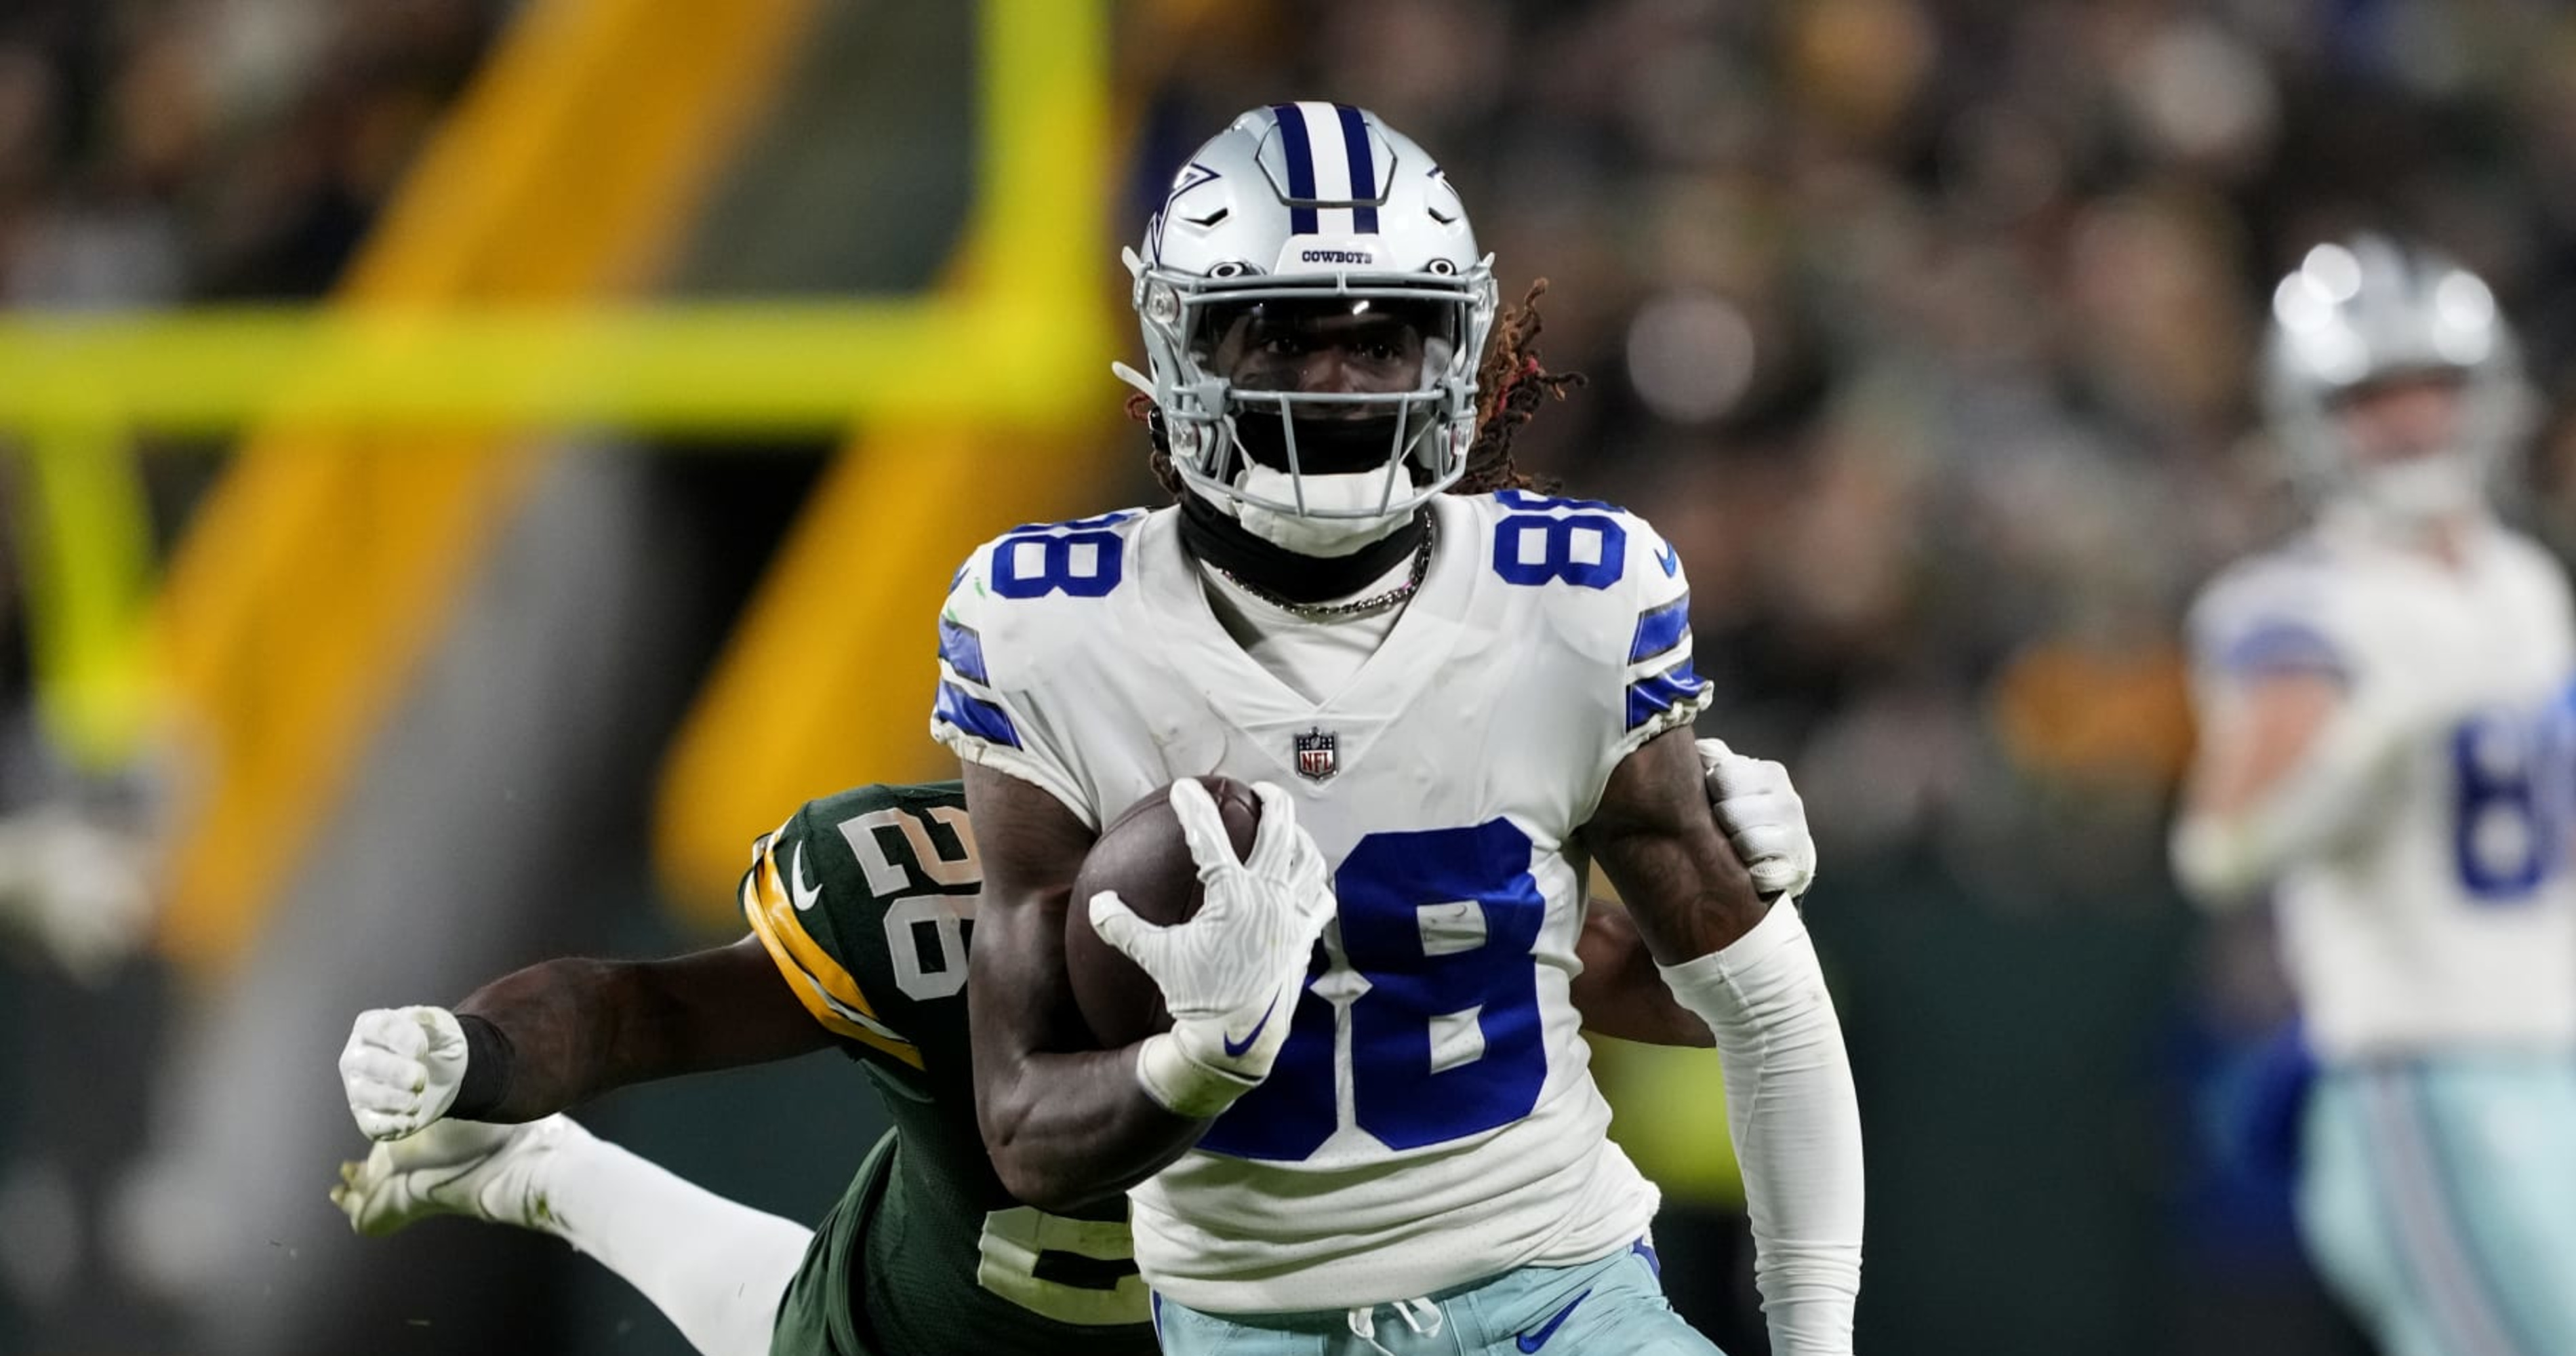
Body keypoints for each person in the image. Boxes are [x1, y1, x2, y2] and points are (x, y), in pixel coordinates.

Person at [938, 103, 1863, 1356]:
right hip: (1253, 1326)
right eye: (1277, 333)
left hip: (1563, 1292)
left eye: (1384, 338)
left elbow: (1768, 1008)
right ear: (1174, 347)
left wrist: (1817, 1343)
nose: (1335, 382)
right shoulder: (1053, 630)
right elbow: (1026, 1128)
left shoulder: (1574, 595)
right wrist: (1204, 1056)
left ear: (1462, 347)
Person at [331, 754, 1816, 1356]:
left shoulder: (1337, 893)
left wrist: (1743, 879)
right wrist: (469, 1049)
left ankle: (535, 1172)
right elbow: (641, 1006)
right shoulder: (928, 909)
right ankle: (532, 1171)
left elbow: (1693, 988)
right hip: (931, 1320)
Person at [2171, 234, 2576, 1356]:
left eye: (2435, 388)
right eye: (2372, 395)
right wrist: (2377, 743)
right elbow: (2219, 848)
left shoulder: (2526, 585)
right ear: (2313, 417)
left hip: (2554, 1053)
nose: (2409, 422)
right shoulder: (2297, 605)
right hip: (2418, 1067)